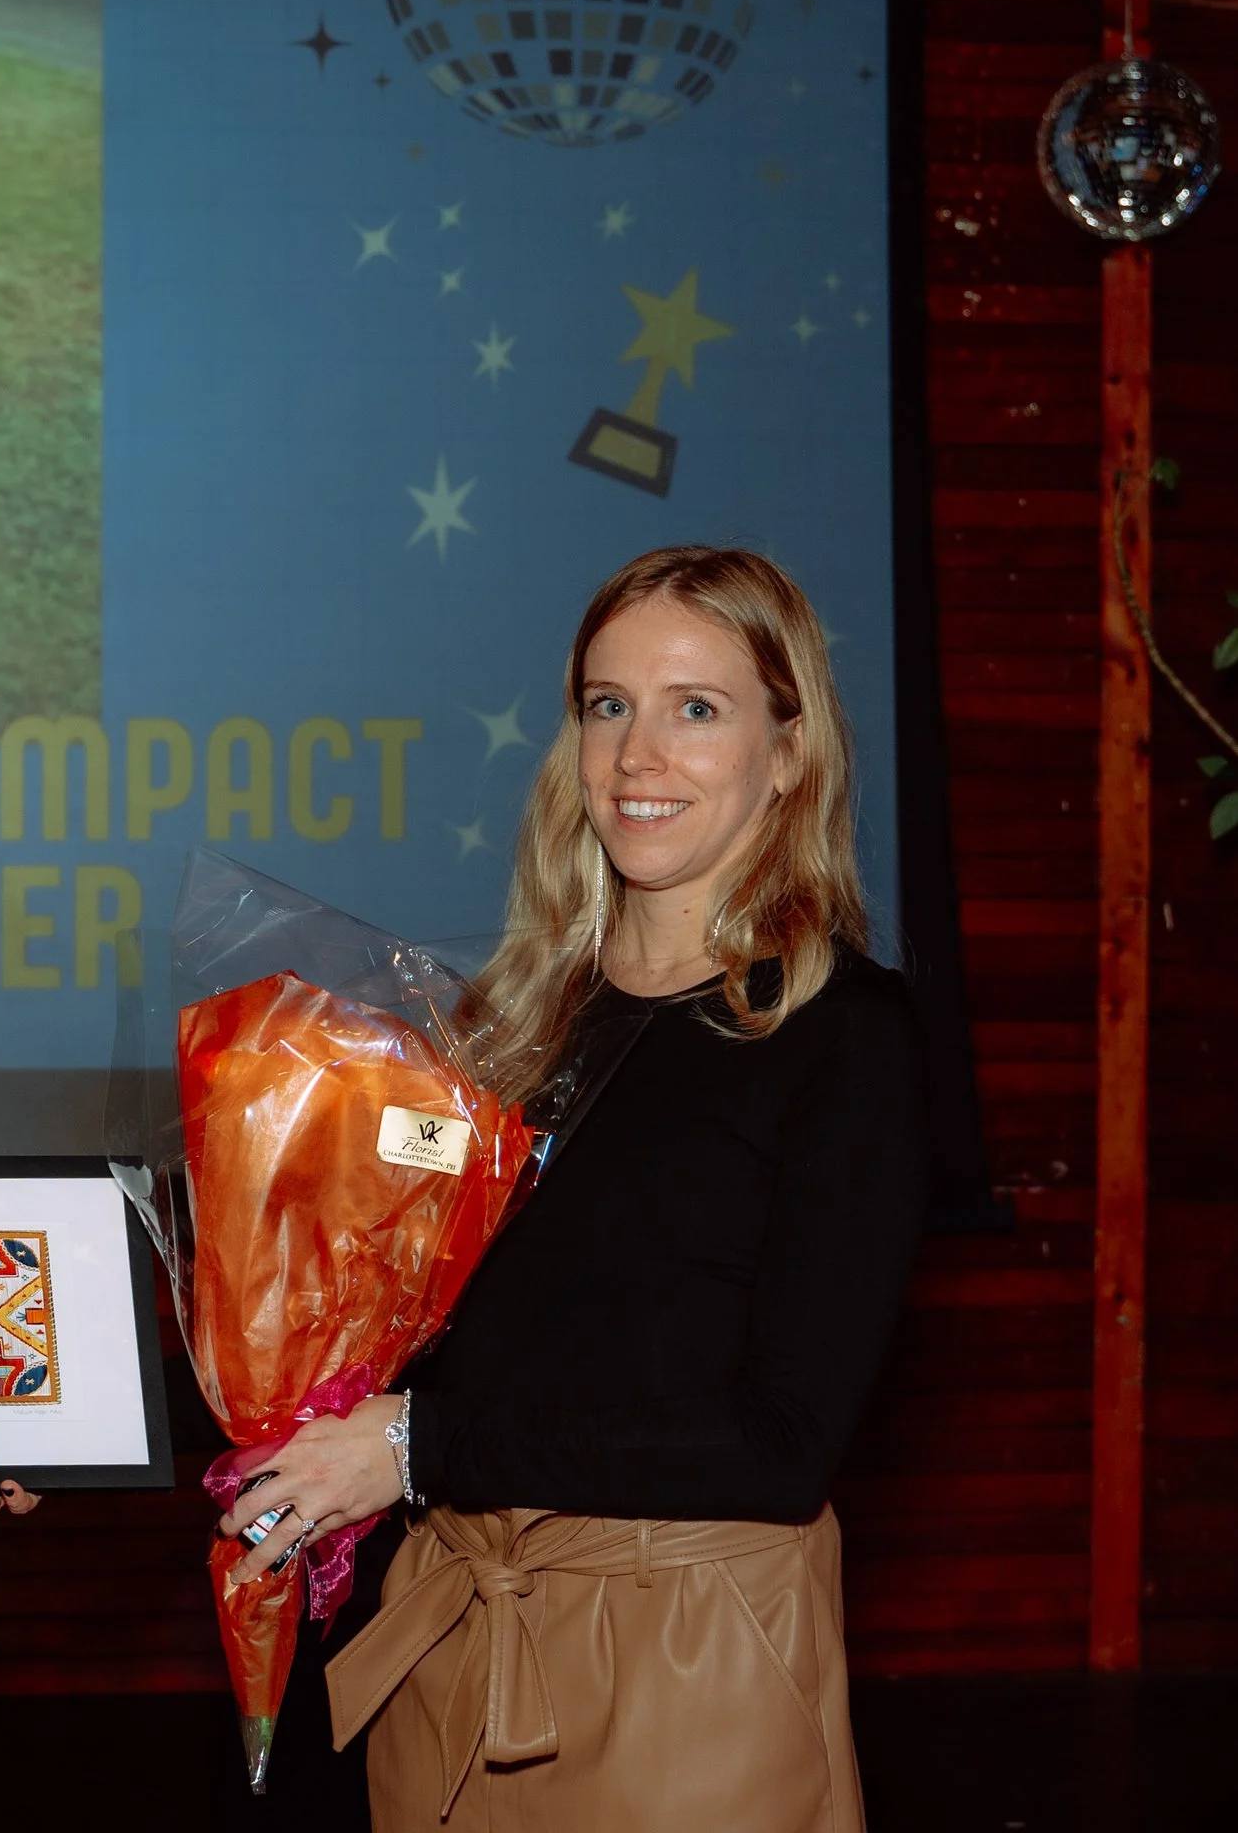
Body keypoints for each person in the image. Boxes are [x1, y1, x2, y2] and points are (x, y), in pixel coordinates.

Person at [220, 546, 932, 1832]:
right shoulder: (500, 1029)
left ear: (788, 750)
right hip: (449, 1647)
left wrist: (411, 1446)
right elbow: (431, 1346)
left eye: (694, 707)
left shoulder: (847, 1033)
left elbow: (781, 1443)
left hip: (690, 1668)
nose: (637, 754)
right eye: (608, 705)